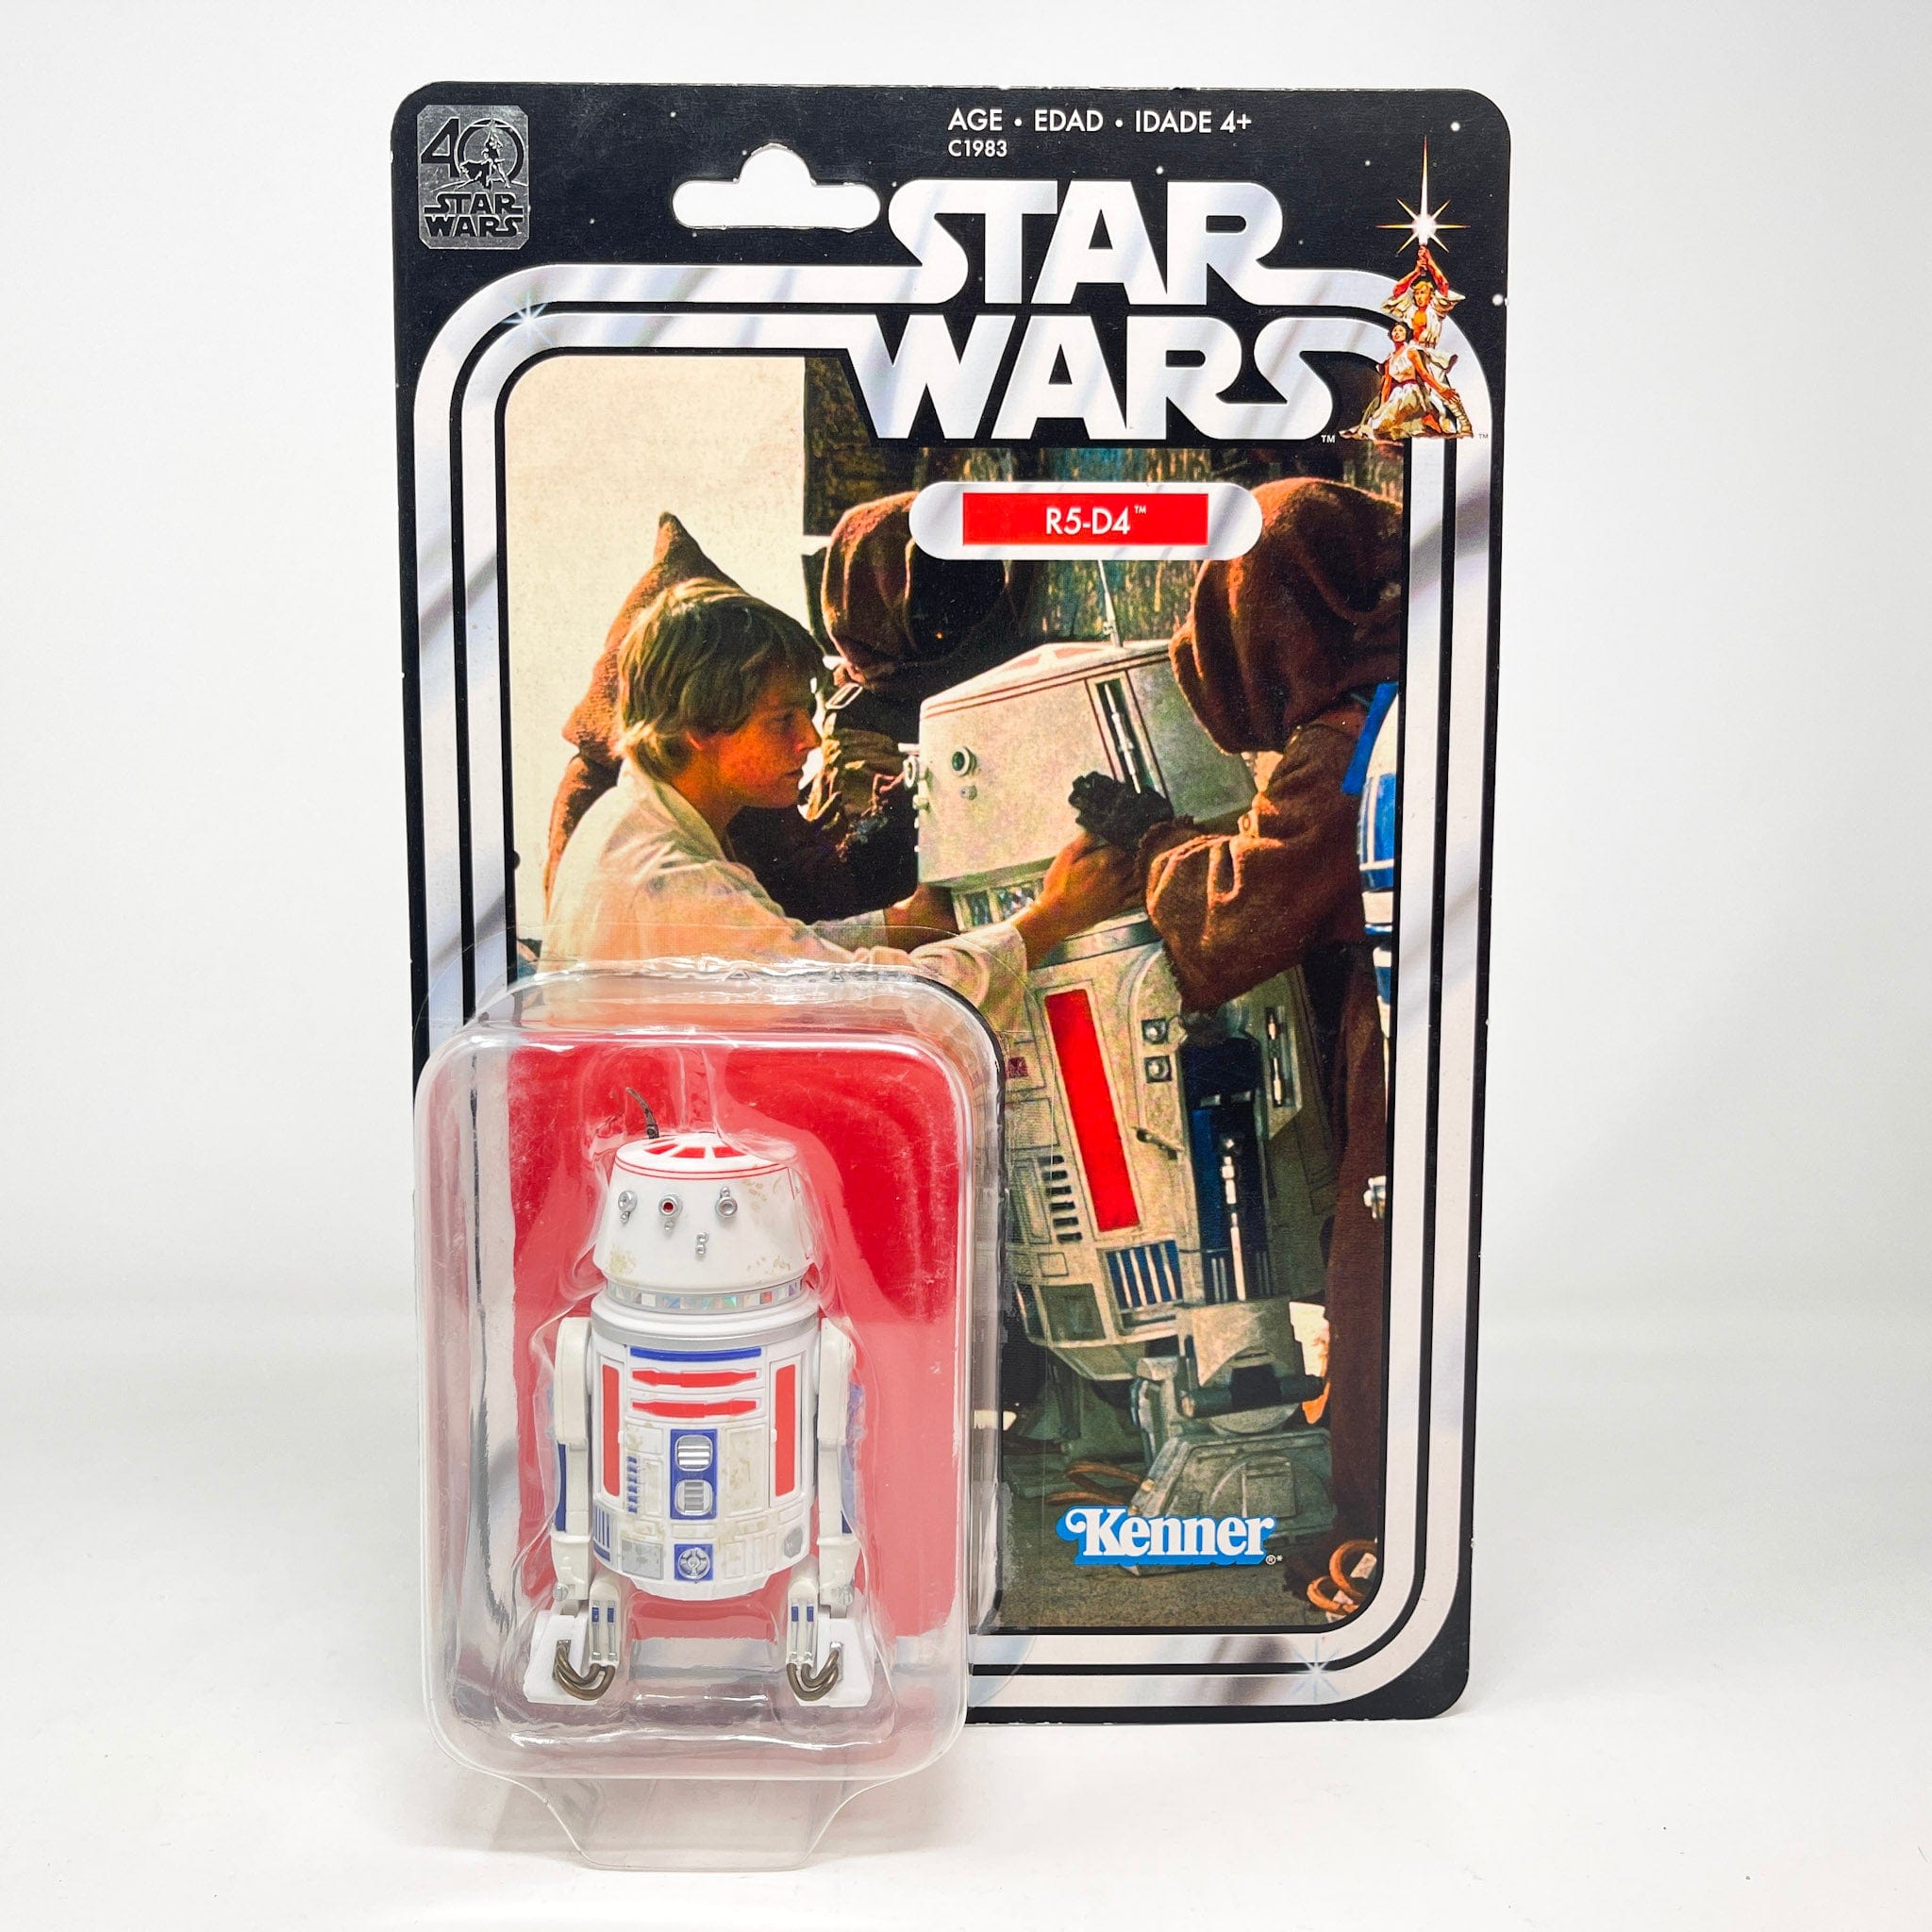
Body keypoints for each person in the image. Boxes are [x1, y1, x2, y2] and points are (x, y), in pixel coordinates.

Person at [545, 576, 1136, 1035]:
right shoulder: (666, 886)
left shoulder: (627, 824)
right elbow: (887, 1012)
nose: (809, 739)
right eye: (782, 720)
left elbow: (781, 954)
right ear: (699, 728)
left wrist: (903, 922)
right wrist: (1049, 920)